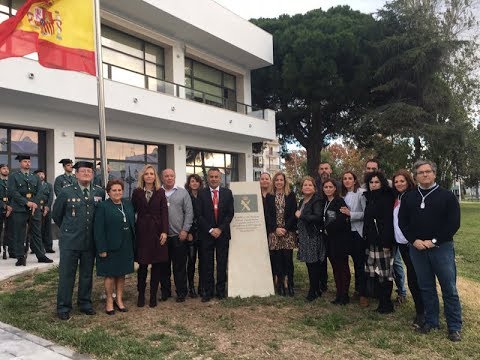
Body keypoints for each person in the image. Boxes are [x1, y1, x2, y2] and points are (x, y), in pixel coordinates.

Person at [399, 160, 462, 342]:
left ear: (434, 174)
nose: (425, 175)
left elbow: (453, 224)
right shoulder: (409, 197)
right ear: (416, 176)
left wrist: (434, 241)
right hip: (417, 248)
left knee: (449, 288)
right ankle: (431, 321)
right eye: (420, 172)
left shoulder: (447, 196)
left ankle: (454, 326)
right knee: (426, 287)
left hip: (441, 248)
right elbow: (403, 222)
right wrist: (414, 240)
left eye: (428, 171)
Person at [52, 161, 105, 320]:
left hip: (89, 241)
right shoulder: (66, 192)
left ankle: (85, 303)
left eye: (89, 171)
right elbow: (57, 215)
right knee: (67, 275)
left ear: (93, 174)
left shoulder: (99, 192)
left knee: (87, 274)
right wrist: (69, 230)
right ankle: (63, 306)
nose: (86, 174)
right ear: (76, 174)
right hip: (70, 241)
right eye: (83, 171)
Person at [94, 180, 135, 315]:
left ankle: (119, 299)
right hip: (110, 247)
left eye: (119, 190)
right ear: (108, 192)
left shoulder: (127, 205)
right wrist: (101, 248)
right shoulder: (103, 206)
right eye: (114, 190)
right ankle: (109, 301)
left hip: (126, 245)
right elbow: (98, 229)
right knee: (110, 275)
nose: (117, 192)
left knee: (121, 274)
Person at [131, 165, 169, 308]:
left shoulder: (160, 192)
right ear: (143, 176)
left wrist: (164, 231)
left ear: (155, 177)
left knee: (157, 265)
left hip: (157, 232)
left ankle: (153, 295)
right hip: (142, 232)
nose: (149, 176)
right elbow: (132, 210)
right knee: (142, 265)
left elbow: (164, 213)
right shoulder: (137, 192)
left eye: (151, 174)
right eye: (146, 174)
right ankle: (141, 294)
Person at [392, 169, 425, 328]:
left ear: (408, 181)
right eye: (396, 181)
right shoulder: (397, 197)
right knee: (413, 277)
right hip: (401, 242)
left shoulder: (413, 197)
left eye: (402, 181)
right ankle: (421, 309)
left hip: (412, 243)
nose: (399, 184)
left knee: (415, 278)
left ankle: (422, 312)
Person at [197, 167, 234, 302]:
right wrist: (211, 230)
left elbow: (230, 214)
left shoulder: (227, 193)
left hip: (222, 234)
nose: (213, 179)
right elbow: (199, 215)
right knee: (207, 264)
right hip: (207, 235)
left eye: (216, 177)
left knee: (221, 263)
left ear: (220, 178)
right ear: (207, 178)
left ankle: (220, 291)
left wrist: (220, 229)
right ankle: (208, 291)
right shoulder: (201, 194)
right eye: (211, 177)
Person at [8, 154, 52, 266]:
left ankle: (41, 255)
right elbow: (13, 192)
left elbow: (40, 192)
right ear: (20, 163)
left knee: (37, 233)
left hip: (34, 209)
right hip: (20, 208)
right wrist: (27, 202)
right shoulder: (14, 176)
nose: (27, 163)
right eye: (25, 161)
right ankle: (20, 257)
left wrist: (34, 204)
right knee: (20, 233)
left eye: (29, 161)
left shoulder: (35, 177)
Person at [363, 171, 395, 314]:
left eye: (376, 182)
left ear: (381, 183)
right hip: (371, 241)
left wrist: (387, 243)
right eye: (371, 182)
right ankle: (381, 301)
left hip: (383, 242)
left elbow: (388, 222)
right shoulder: (370, 198)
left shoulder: (387, 197)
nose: (374, 185)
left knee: (385, 273)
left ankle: (386, 304)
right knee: (375, 271)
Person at [161, 169, 193, 303]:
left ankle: (181, 292)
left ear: (175, 177)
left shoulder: (183, 193)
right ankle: (165, 292)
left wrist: (185, 230)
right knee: (163, 267)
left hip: (178, 236)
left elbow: (189, 213)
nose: (169, 178)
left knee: (179, 267)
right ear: (162, 178)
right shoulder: (158, 193)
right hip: (162, 238)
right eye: (166, 176)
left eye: (171, 176)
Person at [265, 171, 297, 296]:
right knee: (277, 259)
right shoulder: (269, 196)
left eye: (281, 180)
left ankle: (289, 284)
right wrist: (276, 228)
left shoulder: (291, 195)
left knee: (288, 260)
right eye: (277, 180)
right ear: (274, 182)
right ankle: (280, 285)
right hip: (274, 232)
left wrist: (284, 228)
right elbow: (267, 215)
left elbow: (293, 213)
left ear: (285, 182)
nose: (279, 182)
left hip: (287, 232)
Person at [340, 171, 368, 307]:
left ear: (355, 180)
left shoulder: (361, 193)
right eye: (344, 178)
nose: (347, 181)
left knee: (360, 264)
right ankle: (356, 290)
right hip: (346, 233)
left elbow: (366, 213)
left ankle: (363, 294)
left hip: (358, 232)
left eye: (350, 178)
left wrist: (351, 214)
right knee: (348, 264)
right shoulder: (342, 195)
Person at [322, 179, 351, 305]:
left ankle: (344, 295)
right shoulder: (324, 202)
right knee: (335, 267)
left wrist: (328, 229)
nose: (328, 189)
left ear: (335, 189)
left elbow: (342, 219)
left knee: (342, 267)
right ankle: (339, 293)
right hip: (329, 240)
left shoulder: (339, 201)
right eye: (326, 187)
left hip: (339, 239)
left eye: (330, 187)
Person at [295, 176, 324, 301]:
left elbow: (317, 217)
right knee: (309, 264)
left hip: (312, 236)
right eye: (305, 185)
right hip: (304, 236)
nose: (307, 187)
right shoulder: (302, 201)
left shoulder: (316, 200)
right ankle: (316, 288)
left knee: (313, 264)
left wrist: (302, 215)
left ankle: (313, 291)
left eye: (310, 185)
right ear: (302, 188)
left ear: (314, 188)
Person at [185, 173, 204, 298]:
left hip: (203, 234)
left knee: (203, 261)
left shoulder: (204, 195)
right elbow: (185, 215)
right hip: (191, 234)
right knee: (191, 261)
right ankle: (191, 286)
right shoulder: (186, 196)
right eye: (192, 181)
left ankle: (201, 286)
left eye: (197, 181)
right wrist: (188, 232)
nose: (195, 183)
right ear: (189, 183)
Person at [33, 169, 54, 253]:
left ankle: (48, 247)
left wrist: (47, 207)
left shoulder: (48, 185)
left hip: (46, 209)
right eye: (39, 174)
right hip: (37, 208)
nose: (41, 175)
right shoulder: (33, 185)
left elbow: (51, 197)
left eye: (42, 174)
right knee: (37, 229)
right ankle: (36, 248)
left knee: (47, 229)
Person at [0, 164, 13, 259]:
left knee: (10, 231)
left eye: (7, 168)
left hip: (11, 209)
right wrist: (5, 206)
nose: (6, 170)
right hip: (0, 209)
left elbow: (15, 195)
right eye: (3, 168)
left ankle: (11, 251)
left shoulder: (12, 182)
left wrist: (10, 207)